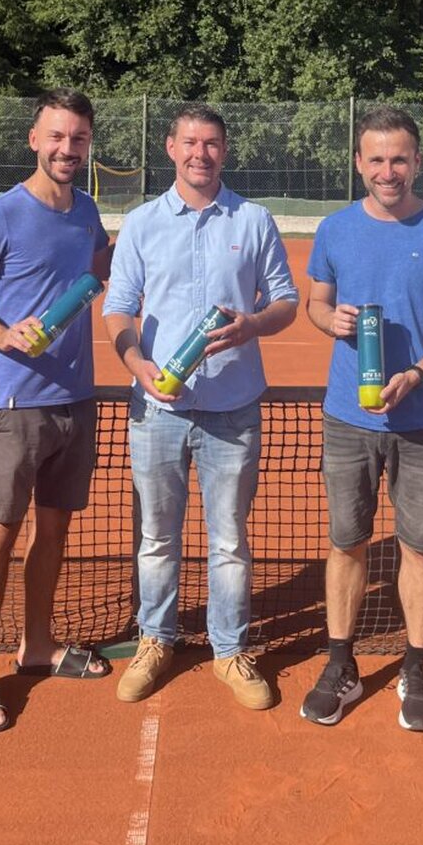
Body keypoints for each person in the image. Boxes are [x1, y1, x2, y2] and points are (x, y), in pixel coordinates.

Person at [102, 102, 299, 709]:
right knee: (157, 538)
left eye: (211, 143)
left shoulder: (256, 219)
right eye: (190, 142)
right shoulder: (139, 224)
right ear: (170, 148)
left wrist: (252, 325)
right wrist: (139, 368)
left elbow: (287, 301)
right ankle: (156, 640)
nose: (200, 153)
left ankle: (229, 652)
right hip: (157, 411)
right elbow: (118, 311)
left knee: (229, 540)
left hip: (233, 410)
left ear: (224, 150)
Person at [302, 107, 423, 731]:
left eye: (399, 158)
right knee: (347, 543)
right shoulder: (335, 230)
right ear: (359, 163)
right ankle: (341, 663)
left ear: (417, 162)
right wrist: (332, 322)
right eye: (375, 159)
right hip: (350, 417)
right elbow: (314, 304)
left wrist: (420, 373)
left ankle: (416, 665)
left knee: (421, 547)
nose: (387, 171)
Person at [0, 89, 112, 733]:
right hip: (16, 402)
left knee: (55, 531)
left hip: (77, 399)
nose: (67, 149)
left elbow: (98, 270)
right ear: (34, 140)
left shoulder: (87, 210)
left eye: (78, 139)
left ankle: (37, 646)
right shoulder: (1, 213)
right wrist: (2, 334)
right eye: (56, 137)